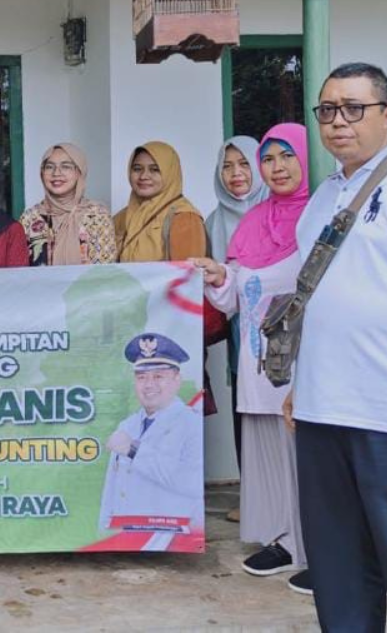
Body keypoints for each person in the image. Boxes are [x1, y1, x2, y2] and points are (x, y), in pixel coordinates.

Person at [287, 62, 387, 629]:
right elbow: (309, 288)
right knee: (339, 566)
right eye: (327, 110)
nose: (338, 121)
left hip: (379, 409)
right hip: (322, 407)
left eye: (354, 108)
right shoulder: (325, 195)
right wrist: (300, 386)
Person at [195, 123, 311, 595]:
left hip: (304, 363)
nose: (276, 168)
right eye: (269, 159)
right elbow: (235, 297)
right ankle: (283, 541)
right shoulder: (253, 221)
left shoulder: (320, 216)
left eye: (286, 156)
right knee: (268, 455)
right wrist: (218, 275)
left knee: (308, 458)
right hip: (258, 364)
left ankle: (319, 548)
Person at [203, 135, 268, 520]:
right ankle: (252, 497)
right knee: (245, 410)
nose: (236, 173)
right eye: (227, 166)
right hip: (240, 330)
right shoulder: (214, 221)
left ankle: (288, 497)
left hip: (279, 330)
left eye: (244, 164)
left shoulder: (277, 209)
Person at [98, 333, 204, 535]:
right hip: (125, 536)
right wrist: (103, 533)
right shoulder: (127, 425)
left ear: (177, 380)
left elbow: (192, 482)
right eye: (142, 377)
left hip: (168, 536)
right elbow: (111, 491)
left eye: (158, 376)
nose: (149, 385)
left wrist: (135, 451)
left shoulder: (191, 424)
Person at [19, 142, 116, 266]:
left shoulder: (97, 215)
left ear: (79, 172)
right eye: (49, 167)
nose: (56, 173)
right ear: (42, 173)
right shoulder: (30, 218)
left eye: (65, 166)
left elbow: (104, 270)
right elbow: (20, 271)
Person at [113, 141, 206, 262]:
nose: (143, 176)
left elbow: (187, 271)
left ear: (170, 173)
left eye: (155, 169)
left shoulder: (184, 218)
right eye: (137, 169)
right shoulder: (122, 218)